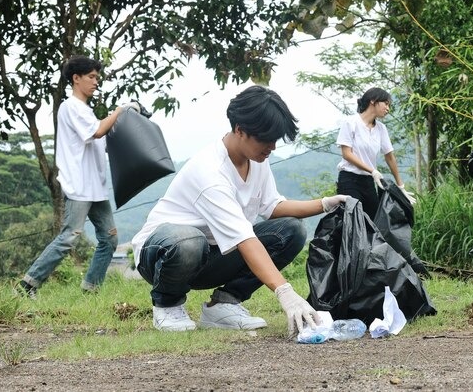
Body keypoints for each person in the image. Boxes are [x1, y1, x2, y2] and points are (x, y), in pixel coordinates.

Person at [131, 85, 348, 333]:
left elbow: (272, 206)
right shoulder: (210, 171)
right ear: (240, 130)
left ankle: (223, 305)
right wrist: (286, 293)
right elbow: (245, 239)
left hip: (211, 256)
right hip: (164, 255)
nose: (273, 147)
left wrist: (323, 204)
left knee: (292, 231)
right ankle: (167, 304)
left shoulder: (256, 160)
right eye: (266, 140)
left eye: (275, 140)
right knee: (190, 240)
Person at [18, 55, 142, 298]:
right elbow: (96, 132)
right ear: (76, 79)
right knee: (68, 237)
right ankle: (27, 285)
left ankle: (90, 290)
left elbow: (103, 139)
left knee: (109, 239)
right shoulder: (70, 107)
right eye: (92, 77)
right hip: (79, 186)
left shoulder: (86, 111)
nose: (96, 82)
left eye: (97, 77)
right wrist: (121, 109)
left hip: (95, 187)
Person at [335, 87, 415, 220]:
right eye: (386, 103)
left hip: (369, 181)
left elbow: (389, 156)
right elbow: (347, 154)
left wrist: (401, 186)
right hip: (349, 180)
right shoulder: (350, 123)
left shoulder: (381, 129)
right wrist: (372, 170)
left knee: (374, 223)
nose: (388, 108)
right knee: (352, 222)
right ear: (373, 101)